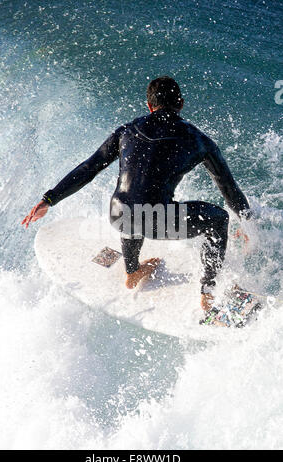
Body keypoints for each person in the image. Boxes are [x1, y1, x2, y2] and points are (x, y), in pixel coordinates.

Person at [22, 76, 251, 312]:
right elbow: (228, 188)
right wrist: (246, 222)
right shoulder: (200, 141)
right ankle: (207, 292)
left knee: (133, 201)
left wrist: (49, 199)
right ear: (181, 103)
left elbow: (89, 168)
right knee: (218, 218)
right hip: (157, 221)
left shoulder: (126, 131)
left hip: (117, 215)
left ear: (149, 106)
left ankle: (132, 271)